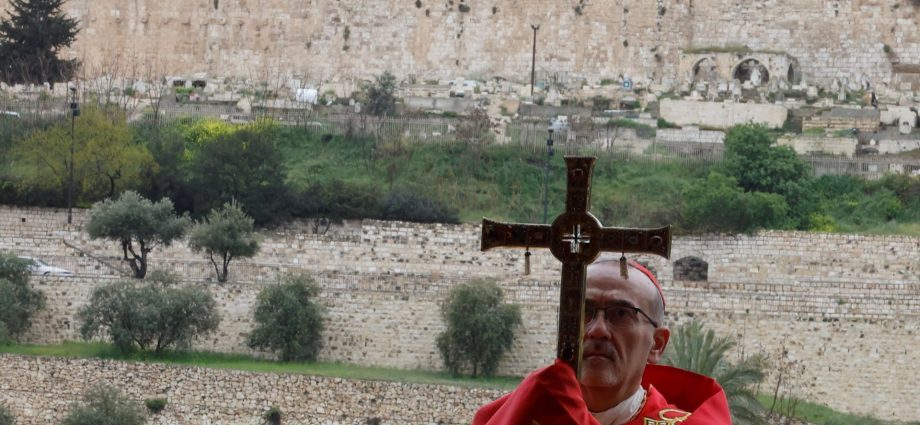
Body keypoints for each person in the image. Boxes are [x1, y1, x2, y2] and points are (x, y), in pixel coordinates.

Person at [472, 259, 732, 425]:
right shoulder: (514, 417)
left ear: (657, 344)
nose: (596, 330)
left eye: (621, 313)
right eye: (584, 313)